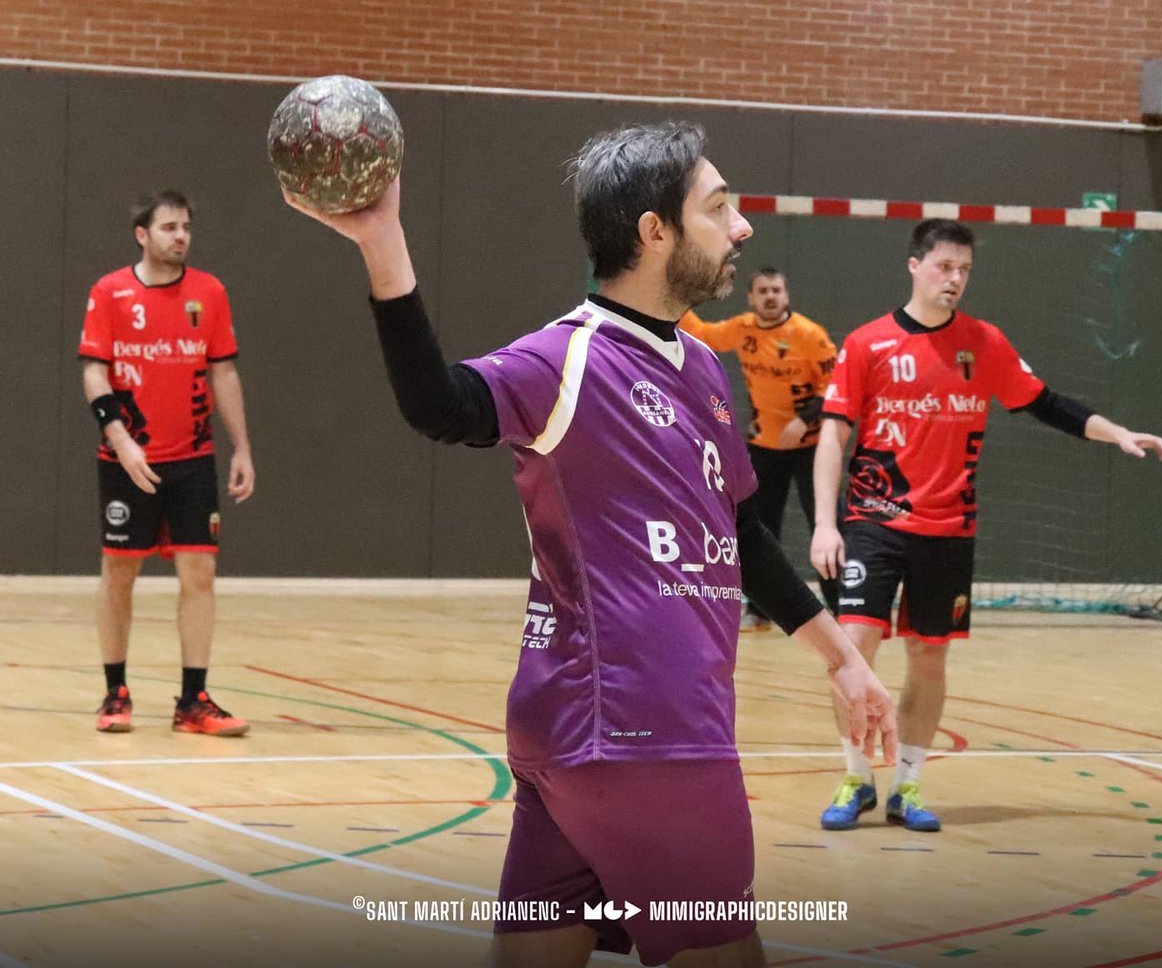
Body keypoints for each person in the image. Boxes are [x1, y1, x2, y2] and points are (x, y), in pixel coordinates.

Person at [284, 122, 896, 968]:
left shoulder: (702, 370)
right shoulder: (567, 359)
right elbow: (441, 403)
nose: (743, 228)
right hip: (649, 736)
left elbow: (742, 536)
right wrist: (383, 242)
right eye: (719, 209)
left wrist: (842, 660)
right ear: (654, 233)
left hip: (574, 742)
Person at [810, 218, 1162, 834]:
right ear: (915, 265)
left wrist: (1115, 432)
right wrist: (825, 523)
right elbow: (833, 435)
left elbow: (1045, 403)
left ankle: (908, 786)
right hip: (874, 521)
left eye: (965, 271)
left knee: (930, 659)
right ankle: (855, 777)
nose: (955, 280)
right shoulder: (868, 344)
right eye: (945, 267)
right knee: (854, 651)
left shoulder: (983, 342)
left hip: (949, 529)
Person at [79, 189, 255, 737]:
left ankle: (193, 701)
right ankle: (116, 692)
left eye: (186, 228)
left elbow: (223, 372)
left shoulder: (210, 293)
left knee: (199, 572)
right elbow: (93, 372)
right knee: (119, 571)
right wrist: (120, 439)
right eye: (169, 227)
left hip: (192, 458)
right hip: (126, 459)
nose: (180, 236)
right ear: (143, 235)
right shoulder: (111, 292)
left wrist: (242, 447)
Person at [679, 270, 838, 627]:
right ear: (751, 298)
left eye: (776, 290)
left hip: (810, 447)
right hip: (765, 446)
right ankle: (761, 611)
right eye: (763, 291)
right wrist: (677, 295)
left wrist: (804, 420)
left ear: (786, 295)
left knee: (825, 524)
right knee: (760, 529)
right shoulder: (744, 328)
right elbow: (703, 334)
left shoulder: (809, 335)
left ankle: (843, 606)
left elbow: (835, 387)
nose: (770, 296)